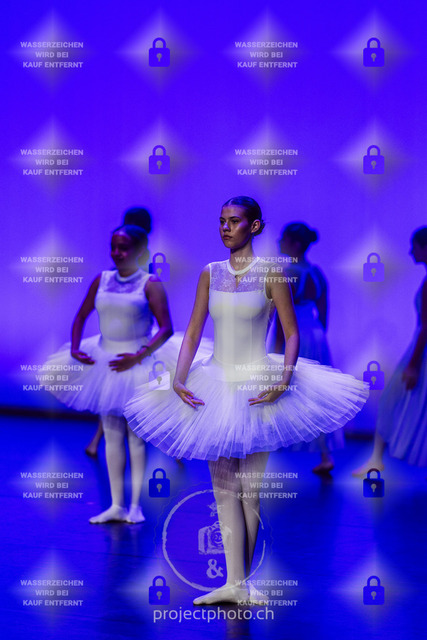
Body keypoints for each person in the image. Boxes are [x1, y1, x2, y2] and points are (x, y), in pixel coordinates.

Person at [125, 196, 369, 604]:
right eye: (221, 220)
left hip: (257, 384)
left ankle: (243, 583)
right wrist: (179, 378)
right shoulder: (210, 272)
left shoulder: (272, 272)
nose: (225, 228)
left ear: (254, 226)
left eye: (234, 221)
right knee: (223, 489)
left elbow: (291, 332)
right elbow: (192, 331)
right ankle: (232, 583)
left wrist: (284, 379)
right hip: (215, 382)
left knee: (248, 491)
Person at [46, 222, 176, 524]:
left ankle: (135, 506)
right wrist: (75, 347)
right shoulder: (102, 279)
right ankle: (116, 505)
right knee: (113, 435)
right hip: (107, 361)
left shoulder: (150, 283)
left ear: (140, 251)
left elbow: (166, 328)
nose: (117, 253)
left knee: (136, 438)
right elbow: (81, 315)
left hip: (139, 363)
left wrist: (139, 355)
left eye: (124, 248)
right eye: (113, 247)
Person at [353, 227, 427, 476]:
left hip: (421, 351)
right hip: (420, 348)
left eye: (415, 246)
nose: (411, 251)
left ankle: (376, 459)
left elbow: (426, 326)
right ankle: (376, 459)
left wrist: (413, 364)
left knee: (390, 400)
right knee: (392, 400)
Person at [270, 222, 343, 474]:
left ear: (295, 243)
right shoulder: (316, 272)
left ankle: (266, 450)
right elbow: (324, 310)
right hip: (315, 335)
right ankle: (325, 454)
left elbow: (283, 316)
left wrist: (276, 350)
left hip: (295, 335)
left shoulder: (288, 273)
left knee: (280, 389)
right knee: (316, 394)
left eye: (284, 238)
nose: (279, 241)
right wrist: (318, 336)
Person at [85, 207, 153, 458]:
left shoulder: (141, 260)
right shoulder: (129, 256)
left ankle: (98, 441)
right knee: (116, 393)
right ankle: (98, 440)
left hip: (139, 332)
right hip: (130, 333)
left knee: (126, 392)